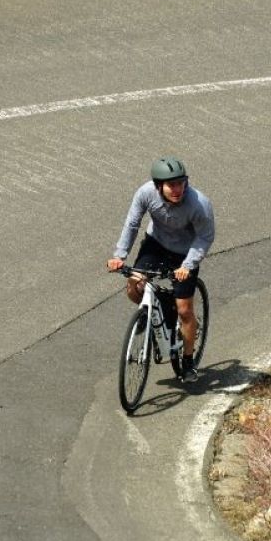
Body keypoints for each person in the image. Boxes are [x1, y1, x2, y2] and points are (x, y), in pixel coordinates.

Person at [107, 156, 215, 383]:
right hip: (156, 244)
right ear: (158, 186)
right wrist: (119, 255)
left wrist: (188, 265)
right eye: (171, 185)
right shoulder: (145, 194)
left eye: (181, 183)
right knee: (134, 284)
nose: (177, 189)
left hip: (185, 253)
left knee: (185, 310)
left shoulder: (198, 204)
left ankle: (187, 361)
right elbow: (132, 223)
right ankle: (154, 313)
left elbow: (205, 237)